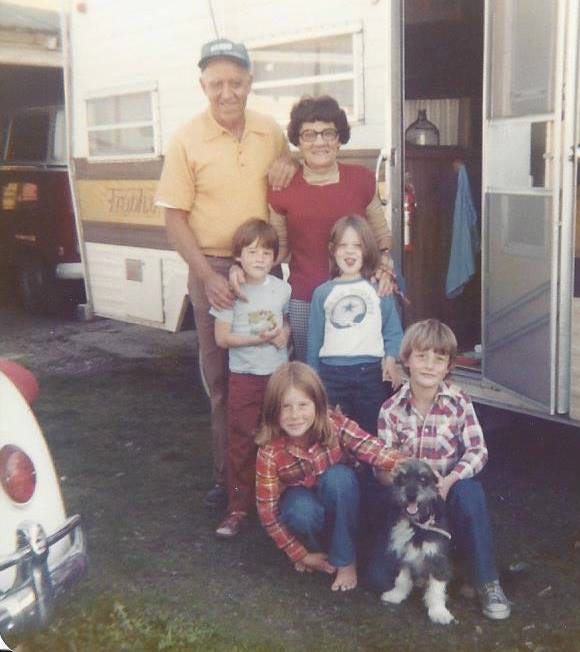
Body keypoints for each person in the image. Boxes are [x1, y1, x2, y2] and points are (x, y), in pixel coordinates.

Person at [155, 38, 296, 509]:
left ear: (250, 83)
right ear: (202, 85)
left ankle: (278, 470)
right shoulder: (185, 139)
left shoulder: (269, 130)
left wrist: (289, 159)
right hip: (211, 264)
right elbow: (174, 216)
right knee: (223, 381)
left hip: (263, 264)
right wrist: (208, 275)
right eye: (216, 83)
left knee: (273, 372)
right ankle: (227, 478)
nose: (226, 92)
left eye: (236, 82)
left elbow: (292, 163)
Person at [365, 319, 512, 620]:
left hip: (446, 495)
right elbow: (382, 466)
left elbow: (477, 450)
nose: (429, 365)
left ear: (448, 366)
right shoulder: (390, 410)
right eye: (421, 356)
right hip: (406, 503)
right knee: (378, 579)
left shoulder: (459, 402)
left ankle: (488, 581)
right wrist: (387, 473)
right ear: (406, 360)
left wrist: (451, 479)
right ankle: (420, 567)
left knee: (470, 491)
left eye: (439, 358)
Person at [263, 95, 394, 362]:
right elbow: (278, 251)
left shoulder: (361, 180)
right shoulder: (281, 188)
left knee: (357, 367)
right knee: (311, 372)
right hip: (305, 299)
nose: (319, 142)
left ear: (339, 138)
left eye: (328, 133)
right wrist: (242, 269)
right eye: (309, 134)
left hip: (358, 294)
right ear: (297, 140)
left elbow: (381, 238)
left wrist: (385, 267)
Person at [255, 361, 402, 592]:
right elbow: (268, 514)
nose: (295, 415)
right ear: (273, 410)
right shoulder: (269, 451)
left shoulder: (334, 424)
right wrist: (301, 555)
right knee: (299, 510)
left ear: (318, 405)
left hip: (340, 503)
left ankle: (345, 560)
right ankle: (316, 553)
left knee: (340, 478)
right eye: (286, 407)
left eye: (303, 405)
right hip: (305, 511)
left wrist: (410, 463)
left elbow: (371, 447)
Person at [210, 219, 291, 538]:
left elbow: (284, 322)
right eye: (252, 251)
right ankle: (238, 508)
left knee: (280, 438)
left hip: (276, 377)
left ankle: (277, 503)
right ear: (238, 257)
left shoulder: (282, 289)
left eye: (266, 252)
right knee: (243, 441)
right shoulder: (232, 291)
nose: (259, 258)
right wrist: (258, 339)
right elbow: (221, 338)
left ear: (275, 258)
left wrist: (283, 334)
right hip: (244, 377)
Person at [306, 216, 403, 435]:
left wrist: (391, 359)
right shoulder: (322, 293)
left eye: (357, 246)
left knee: (370, 434)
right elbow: (314, 341)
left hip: (370, 374)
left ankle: (368, 471)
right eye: (343, 245)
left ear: (367, 250)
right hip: (331, 375)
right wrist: (313, 381)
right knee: (333, 435)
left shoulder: (379, 288)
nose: (350, 252)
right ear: (332, 250)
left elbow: (392, 330)